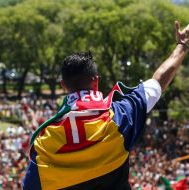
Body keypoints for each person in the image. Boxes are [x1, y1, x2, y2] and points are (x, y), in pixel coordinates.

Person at [22, 21, 189, 190]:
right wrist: (182, 45)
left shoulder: (45, 143)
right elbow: (157, 84)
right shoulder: (119, 118)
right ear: (96, 81)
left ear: (63, 85)